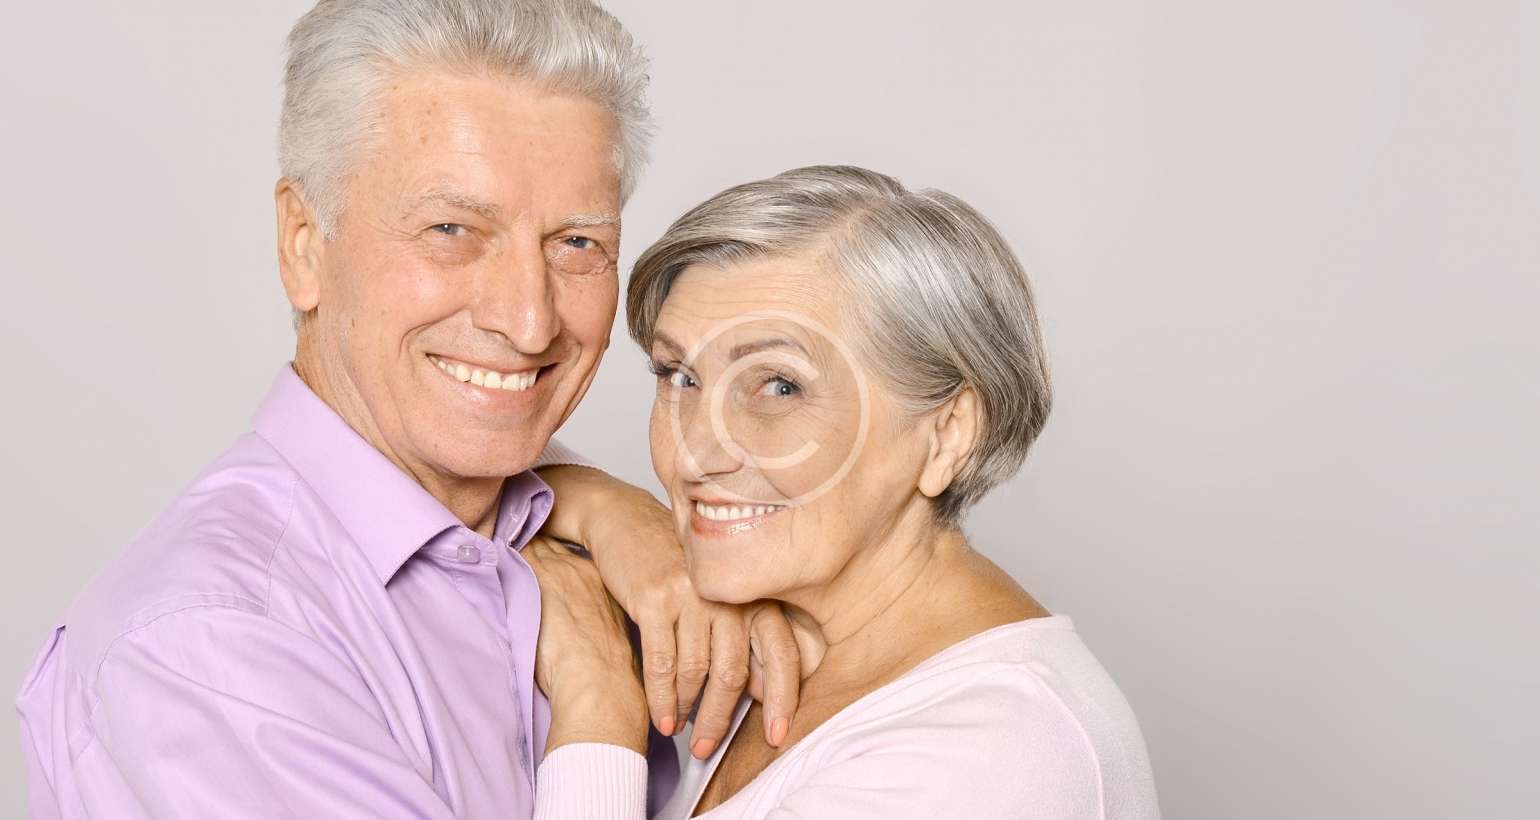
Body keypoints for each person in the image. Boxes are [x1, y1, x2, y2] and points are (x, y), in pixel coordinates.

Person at [14, 2, 805, 817]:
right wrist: (600, 696)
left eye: (577, 243)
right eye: (451, 229)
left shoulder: (628, 560)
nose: (528, 321)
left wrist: (600, 504)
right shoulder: (213, 645)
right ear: (303, 243)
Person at [529, 165, 1161, 818]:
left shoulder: (987, 756)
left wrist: (597, 695)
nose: (694, 453)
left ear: (948, 433)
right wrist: (601, 507)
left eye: (780, 386)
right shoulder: (782, 626)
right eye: (679, 376)